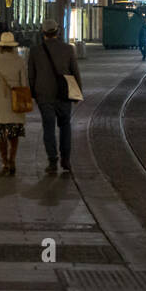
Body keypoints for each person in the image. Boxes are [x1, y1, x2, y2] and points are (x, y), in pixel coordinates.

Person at [27, 18, 83, 174]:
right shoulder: (68, 49)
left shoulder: (35, 51)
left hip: (44, 96)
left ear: (43, 33)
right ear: (58, 32)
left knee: (48, 127)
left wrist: (33, 93)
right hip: (64, 94)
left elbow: (30, 75)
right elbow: (75, 72)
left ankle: (52, 161)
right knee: (65, 126)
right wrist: (78, 93)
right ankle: (66, 160)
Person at [0, 32, 28, 176]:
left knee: (1, 131)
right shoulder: (20, 61)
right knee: (13, 132)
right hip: (15, 97)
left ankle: (4, 162)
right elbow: (24, 83)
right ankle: (12, 159)